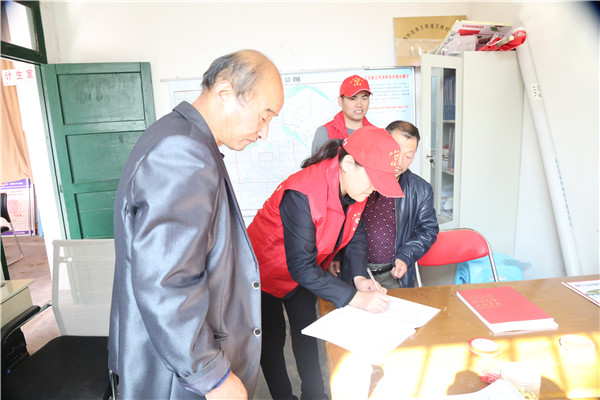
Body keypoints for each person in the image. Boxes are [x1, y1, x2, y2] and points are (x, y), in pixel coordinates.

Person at [108, 49, 284, 400]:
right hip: (176, 375)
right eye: (264, 116)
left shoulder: (177, 134)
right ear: (225, 92)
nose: (264, 132)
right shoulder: (182, 152)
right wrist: (210, 375)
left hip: (171, 358)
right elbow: (166, 281)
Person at [247, 126, 404, 400]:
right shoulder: (303, 192)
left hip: (305, 271)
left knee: (307, 331)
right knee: (272, 340)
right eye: (373, 180)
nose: (373, 189)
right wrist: (355, 298)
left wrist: (359, 277)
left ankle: (314, 394)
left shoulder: (355, 189)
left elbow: (356, 234)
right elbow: (301, 266)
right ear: (348, 163)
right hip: (263, 272)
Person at [330, 120, 439, 289]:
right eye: (395, 152)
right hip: (352, 269)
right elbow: (341, 219)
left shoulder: (420, 190)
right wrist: (335, 255)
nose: (399, 161)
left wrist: (406, 256)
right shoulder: (356, 178)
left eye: (408, 156)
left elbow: (428, 230)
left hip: (393, 275)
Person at [310, 75, 374, 154]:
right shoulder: (325, 133)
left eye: (364, 99)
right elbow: (317, 162)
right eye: (353, 99)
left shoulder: (376, 134)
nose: (359, 104)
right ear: (340, 101)